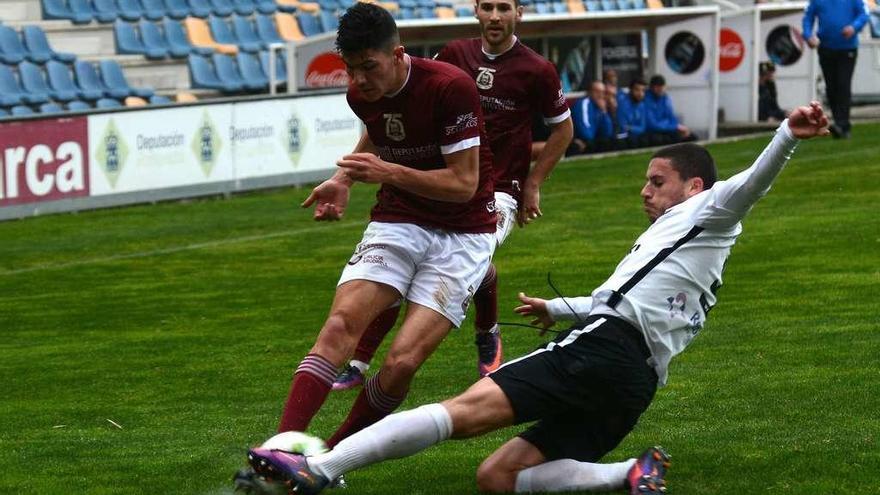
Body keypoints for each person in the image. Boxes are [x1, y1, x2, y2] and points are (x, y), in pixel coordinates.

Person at [241, 100, 831, 494]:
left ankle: (320, 467)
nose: (645, 190)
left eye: (657, 181)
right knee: (498, 477)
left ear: (695, 186)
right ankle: (631, 473)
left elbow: (753, 182)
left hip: (602, 352)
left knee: (463, 411)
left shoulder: (713, 209)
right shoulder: (694, 247)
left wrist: (787, 133)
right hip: (636, 382)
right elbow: (627, 301)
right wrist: (556, 309)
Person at [268, 2, 497, 453]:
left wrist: (386, 173)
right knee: (338, 326)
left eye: (368, 67)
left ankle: (330, 456)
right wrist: (343, 177)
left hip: (465, 230)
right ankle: (279, 449)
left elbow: (463, 185)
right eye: (350, 69)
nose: (358, 81)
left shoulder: (451, 87)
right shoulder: (360, 93)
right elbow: (380, 130)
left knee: (400, 363)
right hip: (400, 217)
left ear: (397, 55)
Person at [331, 0, 573, 390]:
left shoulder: (537, 70)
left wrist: (533, 183)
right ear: (476, 11)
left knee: (461, 261)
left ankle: (486, 331)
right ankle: (359, 363)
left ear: (519, 13)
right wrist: (350, 170)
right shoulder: (453, 55)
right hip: (442, 180)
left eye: (504, 7)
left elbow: (563, 130)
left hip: (499, 189)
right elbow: (390, 119)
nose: (496, 16)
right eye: (488, 7)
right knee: (396, 263)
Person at [802, 0, 869, 139]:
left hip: (847, 48)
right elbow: (808, 17)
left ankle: (842, 124)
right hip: (826, 48)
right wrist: (808, 35)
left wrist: (853, 27)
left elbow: (863, 14)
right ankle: (839, 122)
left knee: (843, 84)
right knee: (831, 87)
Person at [644, 74, 695, 144]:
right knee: (663, 140)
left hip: (667, 129)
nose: (660, 89)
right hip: (653, 131)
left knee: (691, 136)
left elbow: (672, 117)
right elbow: (652, 125)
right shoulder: (646, 100)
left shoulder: (665, 97)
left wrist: (677, 126)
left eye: (662, 87)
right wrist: (674, 126)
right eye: (657, 87)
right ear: (651, 87)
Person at [570, 80, 614, 154]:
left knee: (610, 142)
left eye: (602, 92)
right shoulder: (584, 103)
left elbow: (608, 132)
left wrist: (604, 111)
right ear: (590, 92)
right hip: (577, 140)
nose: (601, 95)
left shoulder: (600, 107)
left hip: (592, 139)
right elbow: (585, 133)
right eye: (597, 92)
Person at [617, 78, 649, 148]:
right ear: (630, 90)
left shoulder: (642, 105)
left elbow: (643, 127)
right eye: (637, 90)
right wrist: (632, 129)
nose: (640, 93)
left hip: (635, 133)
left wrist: (631, 128)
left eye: (643, 90)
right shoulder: (623, 104)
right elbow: (623, 127)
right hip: (622, 134)